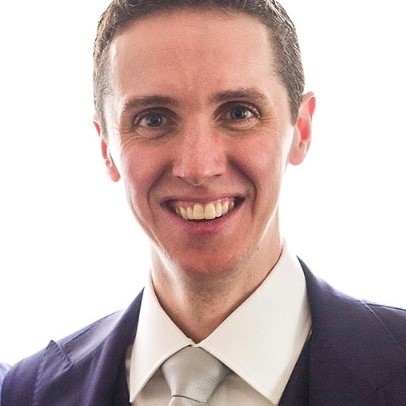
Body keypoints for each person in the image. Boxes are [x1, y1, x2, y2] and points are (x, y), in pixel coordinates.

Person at [2, 0, 406, 405]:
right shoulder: (26, 394)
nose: (198, 167)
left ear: (300, 129)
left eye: (239, 113)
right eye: (153, 119)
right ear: (107, 148)